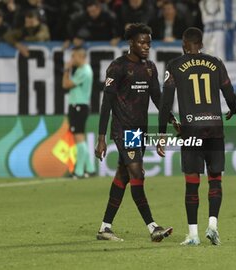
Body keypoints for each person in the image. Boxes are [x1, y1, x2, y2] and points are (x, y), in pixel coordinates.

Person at [95, 23, 178, 242]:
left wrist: (171, 118)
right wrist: (101, 138)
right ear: (131, 43)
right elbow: (106, 105)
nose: (146, 46)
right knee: (137, 174)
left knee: (123, 176)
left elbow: (158, 99)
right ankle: (153, 227)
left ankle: (105, 227)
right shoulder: (118, 67)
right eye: (142, 42)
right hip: (123, 129)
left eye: (148, 42)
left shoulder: (150, 67)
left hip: (139, 130)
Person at [158, 27, 236, 246]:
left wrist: (162, 133)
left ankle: (193, 234)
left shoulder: (174, 66)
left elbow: (166, 103)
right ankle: (213, 225)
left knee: (192, 183)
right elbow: (229, 93)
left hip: (191, 129)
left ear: (184, 44)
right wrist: (234, 108)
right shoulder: (216, 63)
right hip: (214, 128)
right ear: (201, 44)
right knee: (215, 179)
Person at [62, 46, 95, 179]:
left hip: (78, 106)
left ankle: (79, 171)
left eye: (73, 56)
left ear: (81, 57)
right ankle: (90, 168)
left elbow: (66, 84)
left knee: (79, 138)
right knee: (80, 138)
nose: (71, 59)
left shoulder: (83, 71)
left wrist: (66, 69)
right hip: (80, 106)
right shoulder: (84, 70)